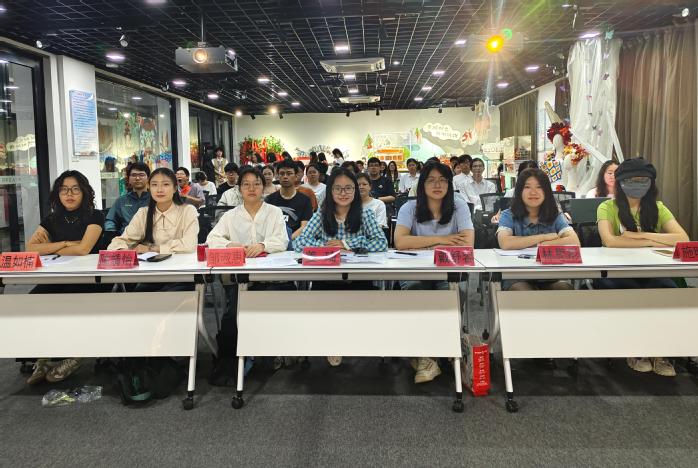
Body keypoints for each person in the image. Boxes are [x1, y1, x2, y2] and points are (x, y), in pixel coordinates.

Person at [595, 158, 689, 376]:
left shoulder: (658, 208)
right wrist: (658, 240)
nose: (637, 184)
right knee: (631, 296)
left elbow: (682, 238)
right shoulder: (607, 207)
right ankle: (636, 348)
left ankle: (660, 351)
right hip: (618, 272)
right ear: (620, 182)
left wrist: (640, 236)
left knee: (668, 293)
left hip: (653, 270)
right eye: (632, 180)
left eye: (643, 180)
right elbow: (610, 241)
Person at [295, 168, 388, 367]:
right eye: (338, 188)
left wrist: (346, 244)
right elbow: (299, 243)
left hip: (359, 277)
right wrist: (329, 248)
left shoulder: (365, 213)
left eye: (348, 188)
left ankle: (353, 339)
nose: (343, 193)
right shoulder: (322, 214)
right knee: (325, 304)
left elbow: (381, 243)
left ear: (355, 191)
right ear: (330, 191)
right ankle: (333, 341)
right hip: (326, 277)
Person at [206, 166, 290, 385]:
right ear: (239, 188)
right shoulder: (231, 216)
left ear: (264, 186)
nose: (252, 188)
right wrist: (231, 245)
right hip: (241, 280)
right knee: (234, 316)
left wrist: (262, 245)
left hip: (271, 278)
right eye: (246, 184)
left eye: (256, 184)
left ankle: (268, 352)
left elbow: (282, 240)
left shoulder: (274, 212)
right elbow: (212, 239)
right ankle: (235, 360)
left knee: (268, 309)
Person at [394, 160, 474, 383]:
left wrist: (422, 243)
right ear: (422, 185)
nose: (437, 185)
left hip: (449, 269)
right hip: (415, 271)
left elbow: (467, 243)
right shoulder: (409, 208)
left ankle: (430, 355)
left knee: (450, 295)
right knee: (417, 292)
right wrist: (443, 240)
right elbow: (400, 241)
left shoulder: (458, 205)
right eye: (431, 180)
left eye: (442, 180)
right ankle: (429, 355)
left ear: (449, 184)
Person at [25, 170, 105, 384]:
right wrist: (65, 244)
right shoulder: (52, 219)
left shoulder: (95, 216)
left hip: (91, 278)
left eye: (75, 189)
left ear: (84, 192)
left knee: (69, 304)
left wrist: (50, 247)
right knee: (33, 302)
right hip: (59, 275)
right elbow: (31, 248)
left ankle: (75, 354)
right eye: (64, 190)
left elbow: (84, 249)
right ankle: (44, 356)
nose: (69, 194)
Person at [496, 168, 580, 291]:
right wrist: (545, 237)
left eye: (539, 187)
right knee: (522, 291)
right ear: (519, 191)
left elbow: (574, 241)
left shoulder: (555, 214)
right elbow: (505, 243)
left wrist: (541, 244)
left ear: (546, 191)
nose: (533, 192)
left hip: (550, 274)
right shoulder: (508, 215)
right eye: (527, 187)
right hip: (517, 275)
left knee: (563, 289)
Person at [109, 167, 199, 255]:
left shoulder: (188, 211)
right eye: (154, 185)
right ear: (149, 187)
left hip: (182, 264)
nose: (159, 190)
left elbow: (189, 245)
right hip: (148, 264)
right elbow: (119, 241)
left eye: (166, 184)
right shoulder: (143, 213)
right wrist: (123, 251)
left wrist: (152, 249)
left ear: (175, 188)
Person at [266, 159, 314, 239]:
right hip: (273, 241)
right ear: (277, 176)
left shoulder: (305, 200)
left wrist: (288, 240)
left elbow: (304, 226)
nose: (285, 176)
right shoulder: (270, 200)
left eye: (289, 173)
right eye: (282, 173)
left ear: (296, 176)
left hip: (295, 241)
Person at [105, 162, 151, 235]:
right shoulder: (121, 201)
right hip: (125, 238)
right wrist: (112, 233)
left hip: (149, 238)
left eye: (141, 175)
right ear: (129, 179)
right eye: (134, 175)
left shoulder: (155, 199)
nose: (137, 178)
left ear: (148, 178)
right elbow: (110, 220)